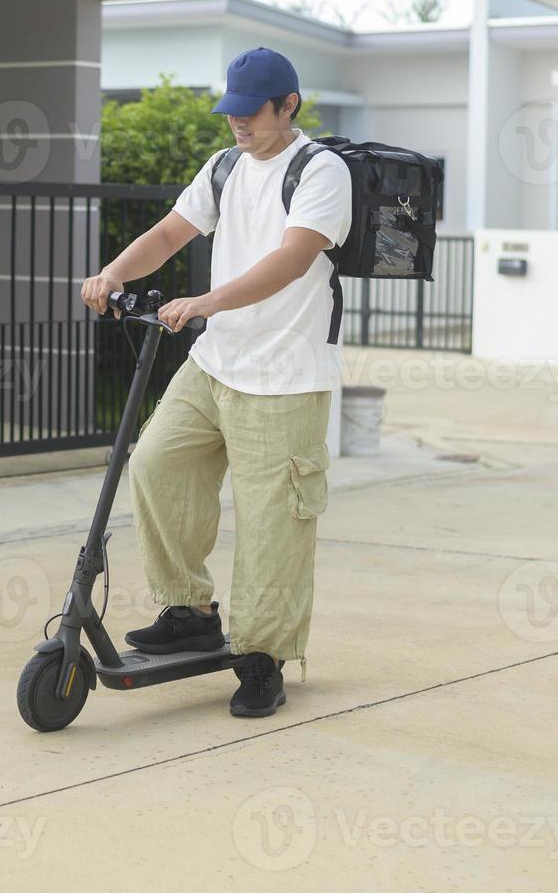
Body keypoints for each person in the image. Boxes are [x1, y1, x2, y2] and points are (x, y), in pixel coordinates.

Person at [79, 46, 352, 718]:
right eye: (230, 112)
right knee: (155, 464)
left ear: (287, 106)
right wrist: (114, 273)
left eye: (250, 113)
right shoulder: (224, 166)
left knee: (270, 524)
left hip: (284, 374)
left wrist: (204, 303)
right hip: (217, 362)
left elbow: (291, 260)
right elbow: (171, 231)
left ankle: (262, 658)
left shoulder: (321, 171)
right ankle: (189, 611)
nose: (237, 124)